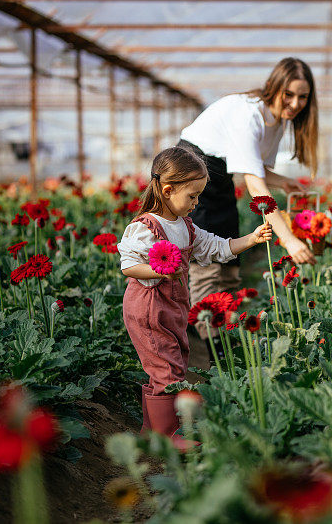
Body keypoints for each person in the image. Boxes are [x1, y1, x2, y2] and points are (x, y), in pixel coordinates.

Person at [118, 147, 272, 443]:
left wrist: (251, 239)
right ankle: (168, 435)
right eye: (192, 195)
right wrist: (160, 271)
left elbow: (217, 248)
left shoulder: (185, 226)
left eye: (200, 194)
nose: (197, 202)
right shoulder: (145, 227)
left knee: (168, 362)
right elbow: (129, 266)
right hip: (148, 307)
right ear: (167, 190)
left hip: (171, 306)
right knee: (167, 366)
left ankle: (152, 432)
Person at [177, 57, 318, 355]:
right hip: (192, 168)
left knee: (231, 249)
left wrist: (285, 183)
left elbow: (256, 169)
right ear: (274, 87)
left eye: (303, 97)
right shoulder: (249, 114)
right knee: (207, 256)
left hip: (218, 171)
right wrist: (289, 240)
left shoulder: (277, 120)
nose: (295, 103)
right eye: (289, 94)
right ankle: (215, 346)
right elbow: (255, 185)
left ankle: (222, 328)